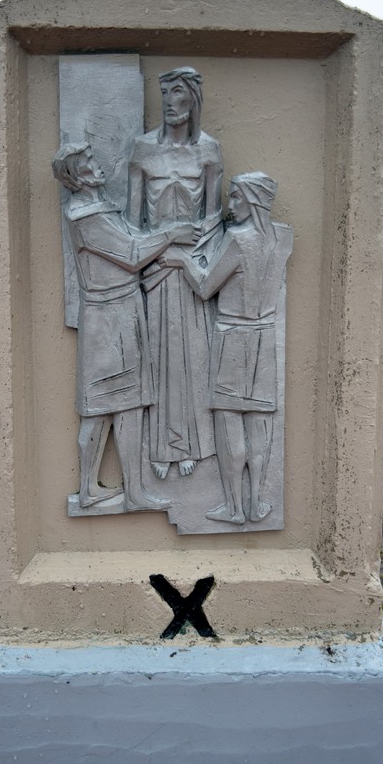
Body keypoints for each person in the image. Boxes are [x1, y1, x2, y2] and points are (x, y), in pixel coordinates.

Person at [52, 142, 197, 512]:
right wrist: (171, 235)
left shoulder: (101, 209)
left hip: (122, 311)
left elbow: (133, 244)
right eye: (87, 162)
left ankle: (128, 491)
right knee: (103, 408)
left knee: (124, 406)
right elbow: (132, 254)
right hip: (108, 319)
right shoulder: (85, 217)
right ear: (76, 176)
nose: (96, 165)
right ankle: (96, 491)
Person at [160, 172, 293, 523]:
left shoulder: (237, 239)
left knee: (229, 423)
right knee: (259, 423)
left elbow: (206, 287)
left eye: (236, 197)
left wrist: (182, 260)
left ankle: (234, 508)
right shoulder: (283, 236)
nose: (230, 204)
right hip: (264, 337)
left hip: (233, 337)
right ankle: (257, 503)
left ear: (253, 200)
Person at [127, 67, 223, 480]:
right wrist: (160, 250)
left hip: (191, 270)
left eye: (178, 92)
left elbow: (214, 219)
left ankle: (191, 446)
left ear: (193, 99)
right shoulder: (143, 149)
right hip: (155, 269)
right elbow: (132, 221)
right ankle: (160, 448)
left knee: (193, 361)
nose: (170, 101)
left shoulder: (209, 151)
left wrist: (191, 259)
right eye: (165, 92)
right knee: (157, 362)